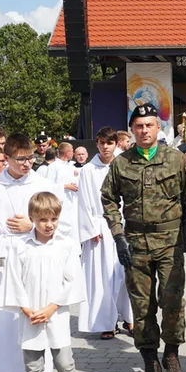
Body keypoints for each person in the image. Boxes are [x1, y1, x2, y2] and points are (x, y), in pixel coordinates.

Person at [101, 103, 186, 372]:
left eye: (149, 125)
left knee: (172, 302)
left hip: (170, 243)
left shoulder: (175, 160)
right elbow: (108, 200)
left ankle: (171, 354)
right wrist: (118, 236)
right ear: (132, 130)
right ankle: (150, 360)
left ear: (159, 128)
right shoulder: (122, 163)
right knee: (142, 305)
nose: (144, 130)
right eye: (138, 126)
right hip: (135, 244)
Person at [0, 133, 65, 372]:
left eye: (30, 158)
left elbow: (61, 221)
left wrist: (33, 226)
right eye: (21, 159)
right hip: (5, 256)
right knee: (6, 320)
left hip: (34, 254)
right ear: (7, 158)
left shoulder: (42, 184)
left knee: (33, 316)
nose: (27, 164)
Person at [0, 191, 92, 372]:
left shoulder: (66, 245)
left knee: (65, 364)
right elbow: (13, 280)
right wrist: (25, 308)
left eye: (53, 219)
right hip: (30, 316)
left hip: (56, 314)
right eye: (42, 220)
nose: (48, 225)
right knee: (33, 368)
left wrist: (52, 307)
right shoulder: (20, 246)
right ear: (32, 218)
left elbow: (71, 279)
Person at [76, 127, 133, 340]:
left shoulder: (124, 163)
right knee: (103, 277)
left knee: (125, 273)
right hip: (99, 226)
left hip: (124, 224)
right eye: (101, 143)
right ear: (97, 144)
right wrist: (90, 227)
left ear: (116, 143)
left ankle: (129, 317)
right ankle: (106, 322)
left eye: (109, 143)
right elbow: (83, 202)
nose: (105, 147)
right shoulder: (88, 170)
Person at [40, 141, 79, 241]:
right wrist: (65, 186)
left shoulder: (71, 166)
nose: (73, 154)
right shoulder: (53, 167)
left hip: (72, 203)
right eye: (72, 151)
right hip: (60, 204)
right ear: (67, 152)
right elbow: (48, 186)